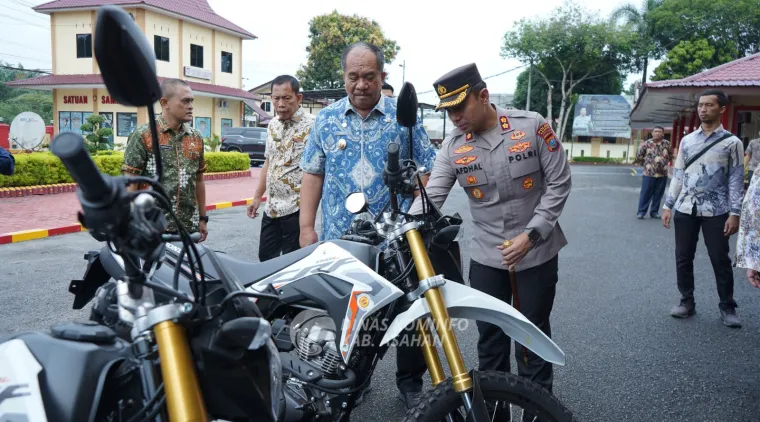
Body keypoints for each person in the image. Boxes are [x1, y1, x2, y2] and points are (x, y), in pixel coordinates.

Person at [408, 63, 572, 395]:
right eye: (447, 110)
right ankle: (495, 414)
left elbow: (559, 183)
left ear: (483, 96)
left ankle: (538, 414)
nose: (454, 117)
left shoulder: (532, 127)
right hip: (487, 258)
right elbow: (432, 197)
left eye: (459, 107)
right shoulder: (453, 147)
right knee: (490, 341)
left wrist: (531, 234)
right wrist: (403, 226)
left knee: (532, 337)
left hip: (536, 252)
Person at [298, 41, 438, 409]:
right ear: (344, 77)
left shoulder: (403, 118)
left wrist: (410, 209)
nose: (361, 84)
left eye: (369, 76)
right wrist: (306, 229)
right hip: (340, 241)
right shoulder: (326, 120)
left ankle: (410, 385)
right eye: (353, 76)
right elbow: (312, 175)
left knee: (410, 313)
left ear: (382, 77)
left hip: (395, 240)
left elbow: (427, 167)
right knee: (346, 315)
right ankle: (347, 382)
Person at [661, 89, 743, 327]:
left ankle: (727, 307)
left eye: (708, 105)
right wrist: (668, 205)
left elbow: (736, 180)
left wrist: (735, 213)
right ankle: (687, 302)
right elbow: (678, 175)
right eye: (700, 105)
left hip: (717, 211)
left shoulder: (732, 142)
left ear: (722, 109)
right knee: (683, 258)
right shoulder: (687, 141)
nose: (703, 109)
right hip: (686, 208)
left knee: (720, 259)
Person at [122, 78, 209, 241]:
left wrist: (203, 219)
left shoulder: (196, 138)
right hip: (151, 229)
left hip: (188, 229)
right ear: (165, 102)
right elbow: (130, 183)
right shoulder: (144, 135)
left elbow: (199, 180)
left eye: (192, 101)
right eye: (185, 101)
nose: (191, 106)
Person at [247, 75, 315, 261]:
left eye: (286, 98)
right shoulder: (272, 125)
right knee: (265, 259)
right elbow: (268, 163)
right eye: (276, 98)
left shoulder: (313, 125)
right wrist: (256, 198)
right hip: (272, 208)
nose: (281, 104)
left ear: (298, 98)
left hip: (297, 208)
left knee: (292, 264)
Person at [634, 126, 672, 219]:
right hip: (649, 174)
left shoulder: (667, 144)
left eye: (659, 132)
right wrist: (646, 165)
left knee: (658, 194)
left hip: (662, 174)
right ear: (652, 133)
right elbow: (639, 156)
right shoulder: (646, 144)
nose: (657, 133)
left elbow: (670, 156)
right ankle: (641, 212)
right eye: (655, 131)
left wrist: (663, 163)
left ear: (663, 133)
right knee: (646, 193)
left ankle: (654, 212)